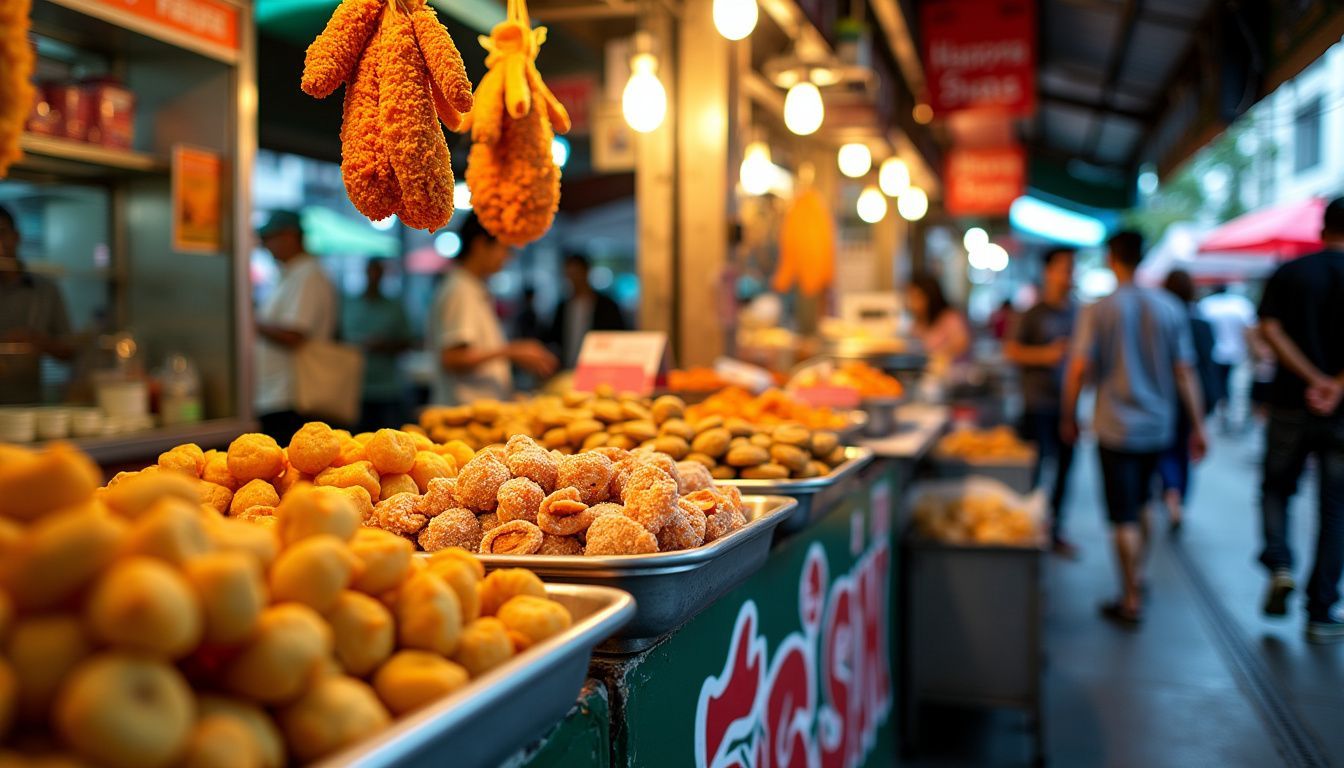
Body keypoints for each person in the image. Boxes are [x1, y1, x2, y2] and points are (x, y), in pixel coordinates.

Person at [1062, 231, 1207, 627]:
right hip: (1158, 425)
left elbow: (1078, 369)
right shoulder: (1170, 308)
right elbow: (1184, 372)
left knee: (1121, 513)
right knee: (1146, 502)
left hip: (1115, 425)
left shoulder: (1098, 309)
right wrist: (1198, 425)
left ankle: (1129, 596)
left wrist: (1068, 413)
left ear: (1112, 258)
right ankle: (1139, 575)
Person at [1255, 197, 1344, 643]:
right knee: (1335, 509)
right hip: (1341, 415)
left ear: (1322, 227)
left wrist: (1310, 377)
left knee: (1276, 487)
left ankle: (1280, 562)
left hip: (1290, 403)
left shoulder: (1291, 272)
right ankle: (1321, 610)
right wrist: (1335, 384)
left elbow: (1269, 330)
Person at [429, 213, 556, 405]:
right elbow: (452, 358)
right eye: (504, 248)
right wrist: (514, 352)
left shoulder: (471, 287)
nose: (508, 257)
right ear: (480, 245)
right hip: (464, 414)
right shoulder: (460, 290)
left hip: (478, 412)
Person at [1005, 247, 1078, 557]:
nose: (1069, 275)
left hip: (1069, 404)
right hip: (1037, 403)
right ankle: (1029, 529)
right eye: (1063, 268)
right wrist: (1046, 355)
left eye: (1072, 269)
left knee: (1065, 471)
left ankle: (1055, 530)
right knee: (1036, 470)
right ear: (1048, 271)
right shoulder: (1032, 313)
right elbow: (1011, 351)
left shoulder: (1077, 312)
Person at [253, 210, 337, 443]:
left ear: (290, 236)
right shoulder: (290, 274)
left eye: (269, 239)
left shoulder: (308, 275)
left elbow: (294, 334)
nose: (265, 246)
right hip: (277, 394)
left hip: (291, 397)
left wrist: (250, 322)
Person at [1157, 269, 1219, 532]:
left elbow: (1181, 368)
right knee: (1184, 450)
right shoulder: (1203, 324)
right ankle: (1179, 496)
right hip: (1199, 396)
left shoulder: (1164, 321)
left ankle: (1170, 491)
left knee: (1168, 448)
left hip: (1168, 396)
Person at [0, 205, 73, 405]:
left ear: (15, 237)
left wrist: (36, 341)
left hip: (28, 406)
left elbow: (69, 350)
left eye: (1, 233)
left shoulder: (44, 289)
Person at [342, 258, 412, 432]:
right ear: (366, 273)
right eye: (371, 271)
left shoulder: (394, 307)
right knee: (356, 441)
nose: (374, 276)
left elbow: (408, 342)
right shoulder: (349, 304)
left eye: (378, 272)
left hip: (387, 388)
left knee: (387, 438)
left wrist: (385, 345)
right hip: (354, 387)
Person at [545, 253, 627, 369]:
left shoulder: (607, 306)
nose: (573, 279)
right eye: (570, 274)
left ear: (586, 272)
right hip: (567, 368)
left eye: (577, 273)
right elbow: (554, 339)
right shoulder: (563, 307)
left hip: (599, 367)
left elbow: (619, 336)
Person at [1198, 283, 1255, 425]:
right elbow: (1249, 330)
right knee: (1234, 388)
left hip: (1215, 352)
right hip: (1236, 352)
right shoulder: (1240, 304)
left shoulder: (1207, 305)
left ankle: (1221, 414)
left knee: (1219, 385)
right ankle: (1232, 417)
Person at [906, 272, 970, 363]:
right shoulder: (917, 323)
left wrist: (942, 355)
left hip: (953, 374)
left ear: (929, 295)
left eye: (916, 297)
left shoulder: (950, 318)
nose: (911, 303)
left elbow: (962, 344)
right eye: (909, 297)